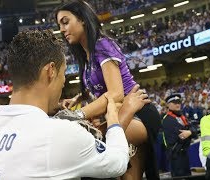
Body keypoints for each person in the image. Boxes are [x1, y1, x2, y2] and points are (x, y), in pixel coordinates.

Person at [0, 30, 150, 179]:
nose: (63, 82)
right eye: (63, 74)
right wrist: (114, 118)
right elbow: (117, 163)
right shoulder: (58, 133)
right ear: (51, 71)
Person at [55, 1, 161, 179]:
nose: (62, 29)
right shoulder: (86, 56)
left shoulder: (102, 44)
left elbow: (116, 94)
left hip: (139, 112)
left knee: (92, 136)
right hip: (120, 113)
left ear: (82, 19)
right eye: (59, 25)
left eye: (65, 22)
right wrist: (79, 98)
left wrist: (78, 114)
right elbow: (97, 87)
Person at [162, 94, 198, 177]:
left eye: (178, 102)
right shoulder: (167, 119)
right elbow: (182, 135)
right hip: (176, 155)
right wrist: (191, 132)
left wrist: (190, 132)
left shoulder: (182, 117)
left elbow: (194, 131)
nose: (177, 104)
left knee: (187, 176)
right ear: (168, 104)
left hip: (184, 154)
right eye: (174, 103)